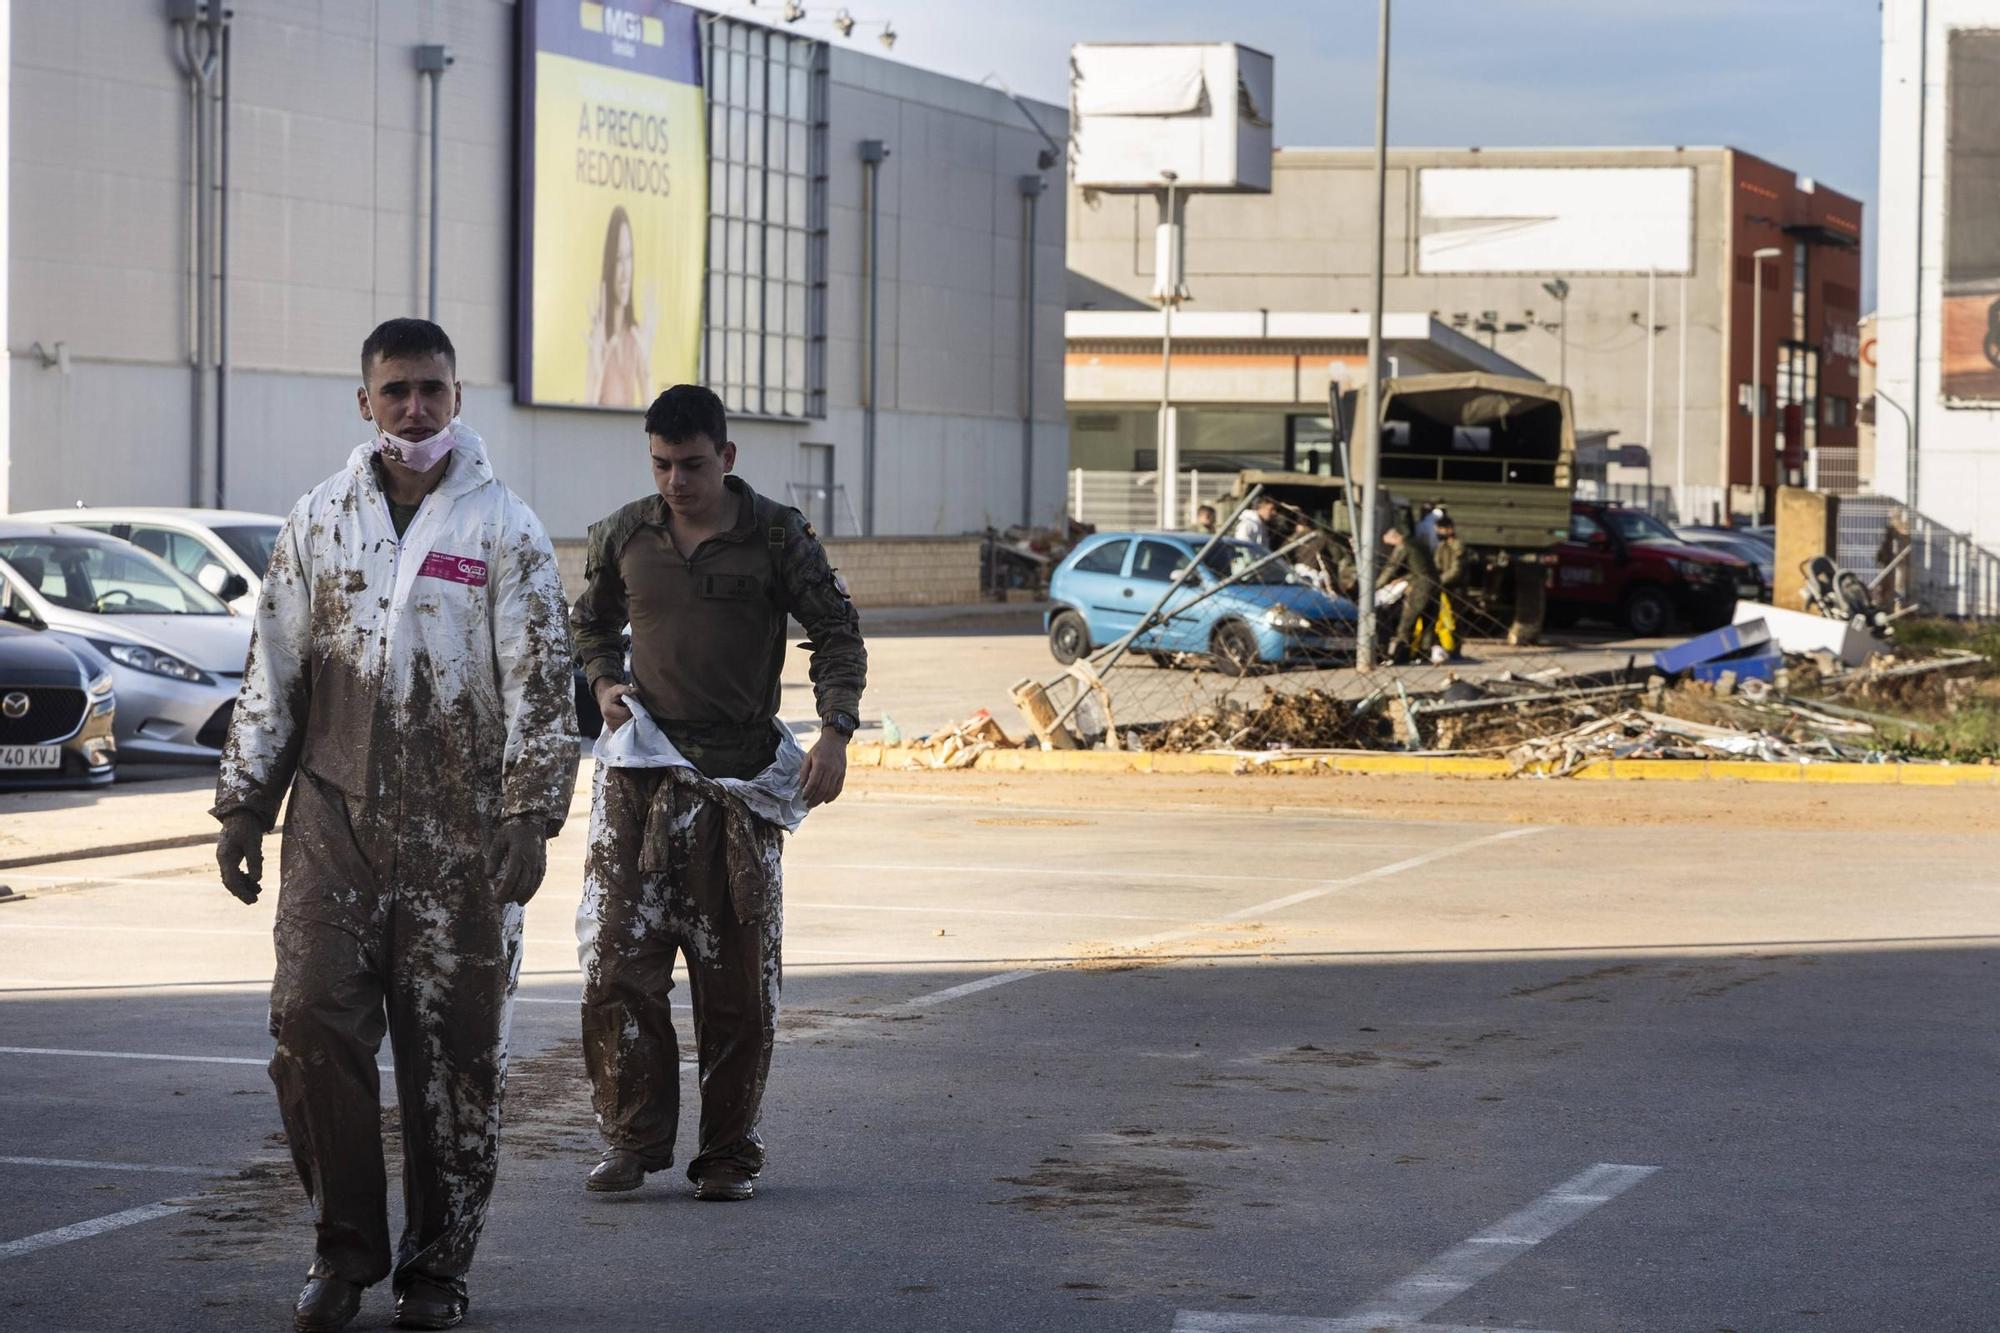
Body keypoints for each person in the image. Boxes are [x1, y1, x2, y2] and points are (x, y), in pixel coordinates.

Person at [213, 319, 579, 1332]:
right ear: (363, 400)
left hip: (462, 839)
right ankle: (342, 1254)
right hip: (331, 823)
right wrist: (245, 803)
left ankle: (436, 1269)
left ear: (457, 399)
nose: (414, 407)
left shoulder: (504, 527)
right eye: (395, 390)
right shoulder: (317, 522)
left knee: (451, 1059)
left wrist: (530, 813)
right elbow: (274, 671)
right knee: (307, 1028)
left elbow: (545, 685)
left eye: (431, 389)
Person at [571, 384, 867, 1202]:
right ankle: (632, 1138)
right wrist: (602, 679)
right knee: (615, 965)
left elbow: (837, 631)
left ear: (727, 457)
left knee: (734, 978)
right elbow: (588, 619)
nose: (675, 481)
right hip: (639, 778)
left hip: (738, 788)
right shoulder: (624, 533)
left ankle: (729, 1150)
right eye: (661, 464)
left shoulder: (776, 534)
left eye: (692, 464)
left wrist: (836, 729)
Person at [587, 206, 657, 407]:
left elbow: (654, 421)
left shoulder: (635, 339)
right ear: (609, 265)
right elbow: (584, 417)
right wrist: (598, 374)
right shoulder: (598, 341)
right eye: (618, 259)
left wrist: (645, 366)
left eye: (629, 257)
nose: (626, 271)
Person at [1380, 523, 1441, 666]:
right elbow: (1421, 568)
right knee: (1428, 621)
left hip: (1421, 586)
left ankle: (1402, 655)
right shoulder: (1419, 544)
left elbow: (1391, 568)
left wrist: (1374, 587)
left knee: (1407, 621)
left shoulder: (1404, 546)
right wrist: (1403, 579)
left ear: (1395, 537)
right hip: (1435, 583)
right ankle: (1424, 654)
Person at [1432, 516, 1468, 663]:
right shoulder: (1442, 545)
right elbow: (1437, 564)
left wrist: (1440, 581)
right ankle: (1446, 647)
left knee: (1455, 619)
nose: (1438, 532)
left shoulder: (1457, 545)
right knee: (1443, 619)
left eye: (1440, 530)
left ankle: (1456, 649)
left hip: (1455, 587)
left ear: (1449, 529)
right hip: (1444, 586)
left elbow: (1456, 569)